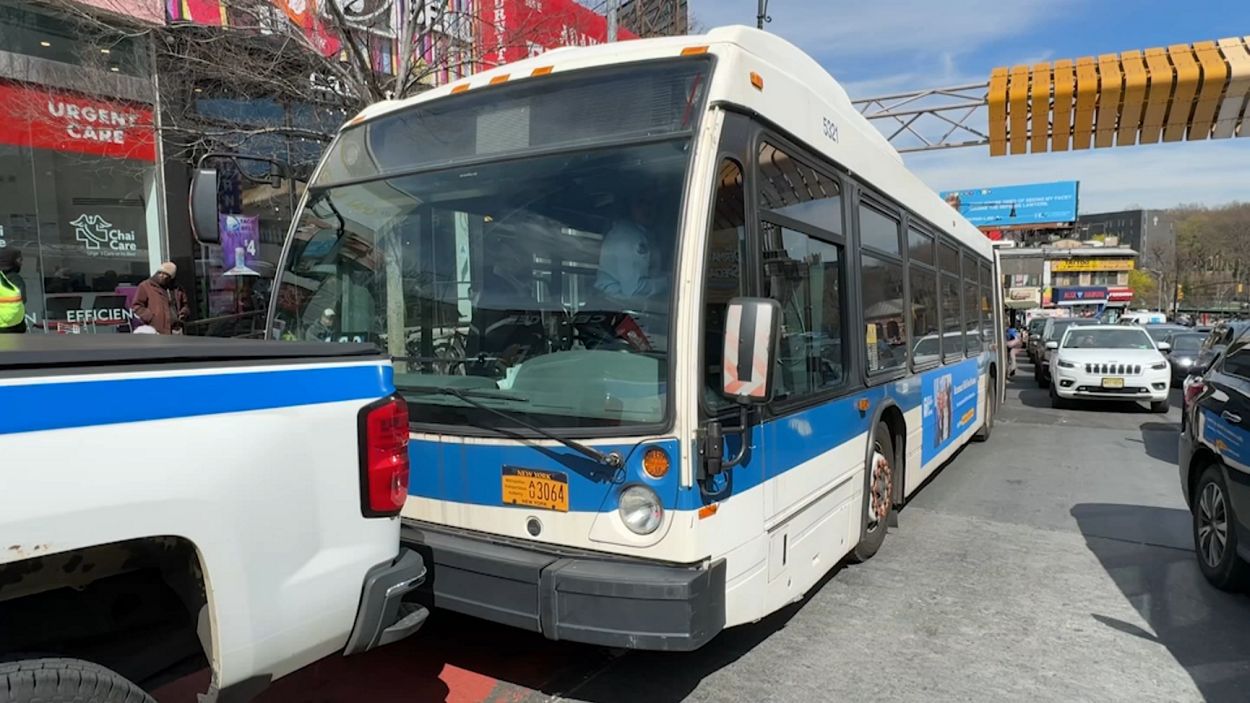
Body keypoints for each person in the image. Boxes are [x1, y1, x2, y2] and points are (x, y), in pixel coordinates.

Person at [595, 189, 668, 301]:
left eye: (653, 203)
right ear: (629, 206)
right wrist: (670, 282)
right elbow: (634, 289)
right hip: (615, 304)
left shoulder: (643, 233)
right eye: (641, 202)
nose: (647, 208)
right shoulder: (628, 238)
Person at [132, 261, 189, 334]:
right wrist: (150, 317)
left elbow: (185, 305)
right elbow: (136, 305)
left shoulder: (177, 289)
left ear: (171, 277)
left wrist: (183, 313)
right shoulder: (145, 286)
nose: (162, 275)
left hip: (176, 328)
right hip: (156, 328)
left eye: (165, 274)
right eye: (160, 272)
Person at [0, 248, 26, 334]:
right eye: (19, 260)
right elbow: (22, 299)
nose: (21, 263)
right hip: (13, 327)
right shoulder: (15, 278)